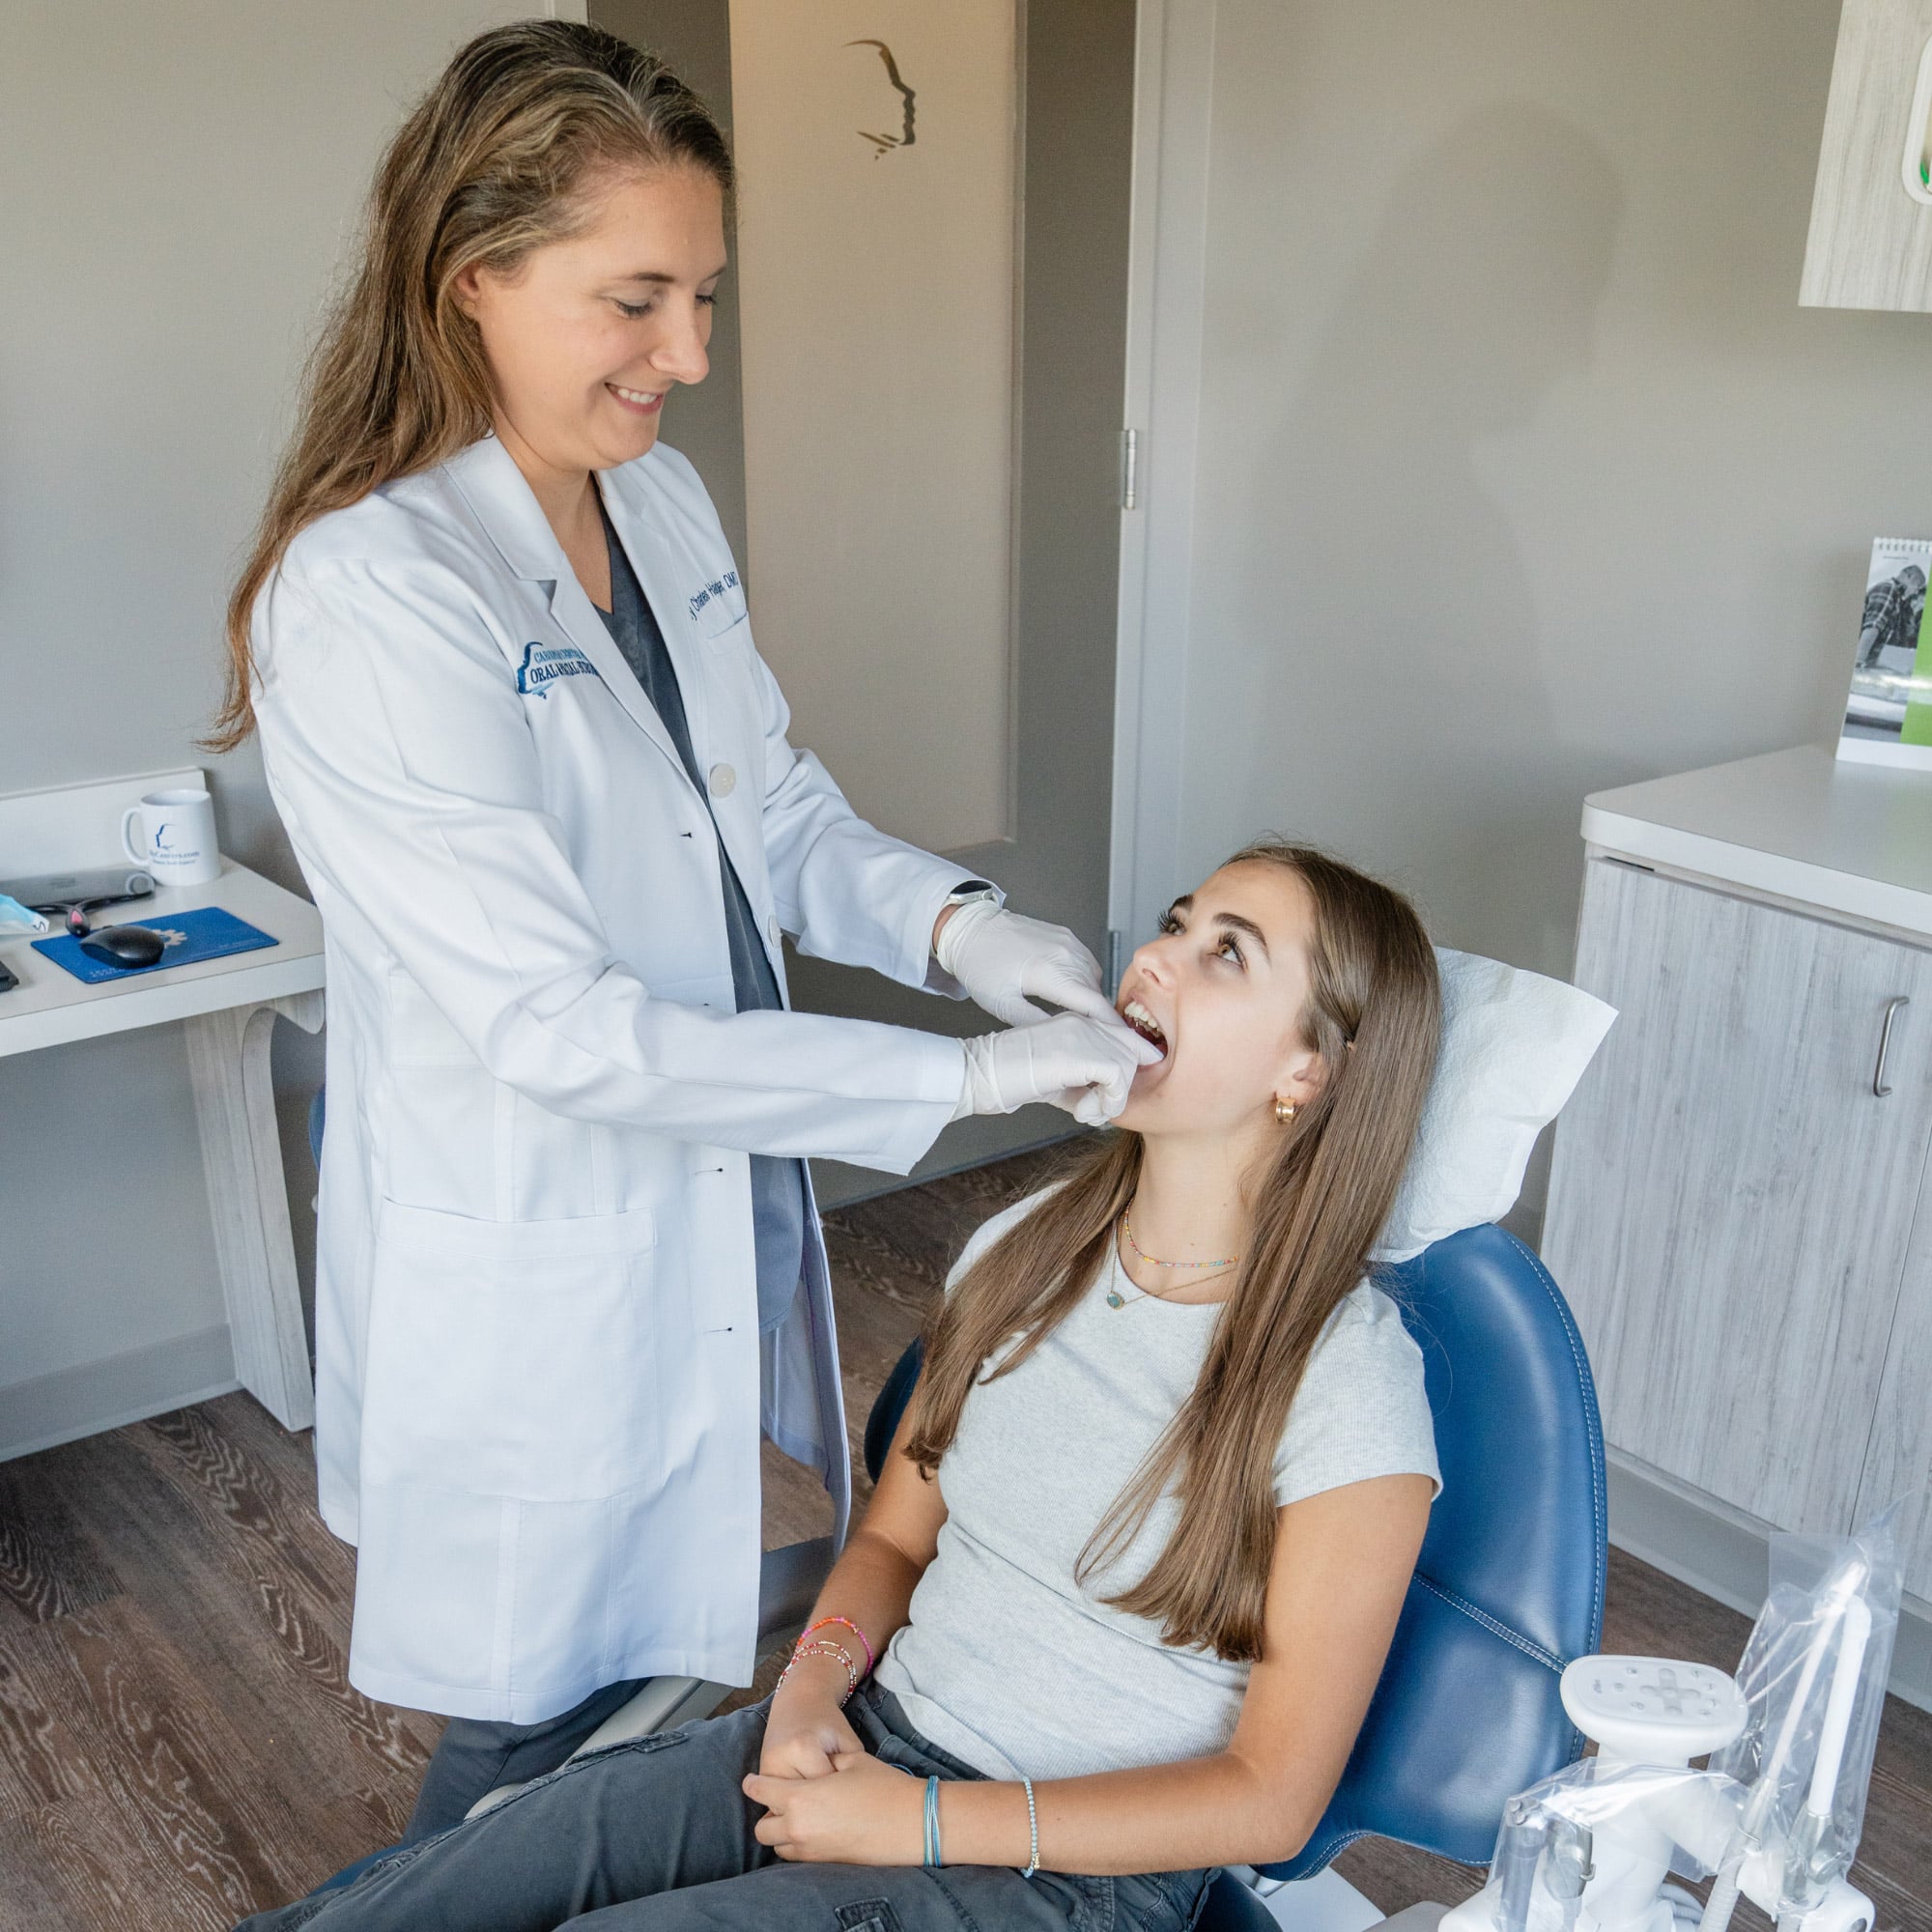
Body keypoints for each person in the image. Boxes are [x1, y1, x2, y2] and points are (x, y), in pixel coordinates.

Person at [216, 20, 1154, 1834]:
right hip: (537, 1231)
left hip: (687, 1198)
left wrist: (966, 930)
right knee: (526, 1720)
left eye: (706, 296)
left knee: (645, 1675)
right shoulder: (374, 592)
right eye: (636, 299)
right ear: (472, 276)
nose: (692, 357)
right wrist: (975, 1082)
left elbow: (766, 809)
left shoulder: (654, 494)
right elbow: (558, 1032)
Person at [235, 840, 1444, 1932]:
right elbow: (893, 1540)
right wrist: (809, 1690)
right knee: (439, 1889)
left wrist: (915, 1826)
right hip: (861, 1741)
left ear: (1308, 1073)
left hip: (1067, 1876)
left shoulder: (1346, 1381)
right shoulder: (1022, 1251)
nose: (1156, 959)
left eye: (1222, 952)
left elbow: (1270, 1800)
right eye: (1175, 923)